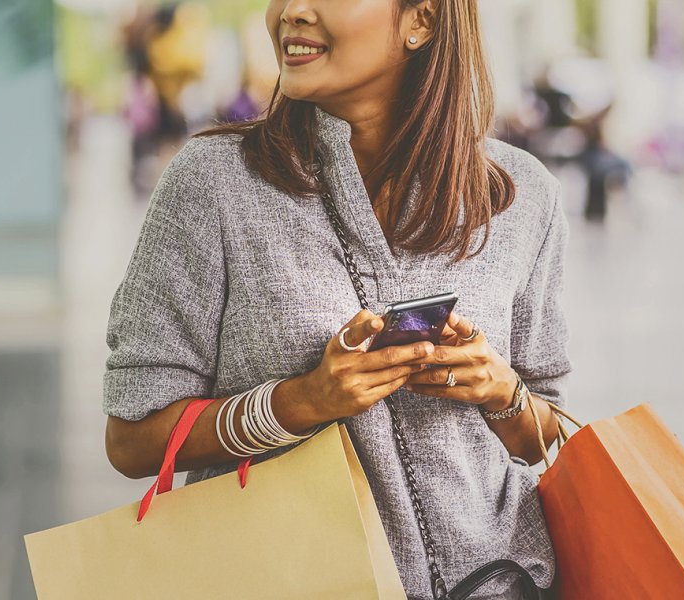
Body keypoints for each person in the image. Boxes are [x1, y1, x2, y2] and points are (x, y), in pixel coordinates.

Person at [102, 1, 572, 599]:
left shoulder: (523, 196)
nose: (292, 12)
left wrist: (500, 390)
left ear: (421, 20)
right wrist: (301, 402)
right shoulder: (213, 185)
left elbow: (544, 436)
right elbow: (132, 438)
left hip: (502, 583)